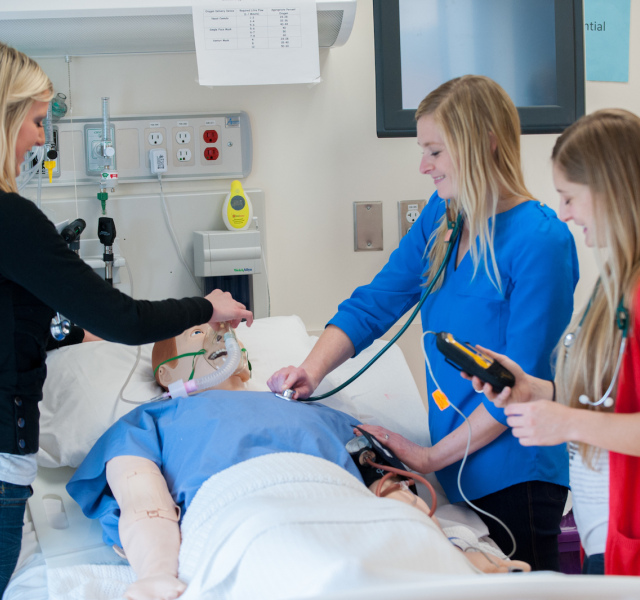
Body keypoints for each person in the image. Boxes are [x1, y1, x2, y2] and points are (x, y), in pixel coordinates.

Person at [268, 74, 579, 570]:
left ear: (484, 144)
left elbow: (519, 387)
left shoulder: (540, 241)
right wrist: (313, 369)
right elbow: (376, 302)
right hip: (455, 474)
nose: (423, 165)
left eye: (435, 151)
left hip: (517, 476)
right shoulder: (444, 216)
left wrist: (431, 458)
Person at [0, 42, 253, 594]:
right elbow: (127, 320)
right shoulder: (10, 220)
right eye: (37, 122)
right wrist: (207, 307)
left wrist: (66, 331)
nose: (41, 138)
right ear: (7, 116)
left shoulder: (272, 403)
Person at [67, 323, 530, 600]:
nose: (217, 334)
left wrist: (454, 549)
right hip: (244, 507)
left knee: (404, 547)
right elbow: (142, 499)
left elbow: (388, 488)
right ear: (168, 372)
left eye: (220, 331)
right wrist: (154, 574)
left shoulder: (312, 408)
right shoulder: (153, 416)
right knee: (308, 567)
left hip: (349, 502)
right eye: (197, 331)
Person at [467, 108, 640, 576]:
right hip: (605, 535)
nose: (562, 212)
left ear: (612, 189)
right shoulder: (616, 284)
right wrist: (535, 390)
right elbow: (613, 399)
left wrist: (565, 423)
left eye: (569, 196)